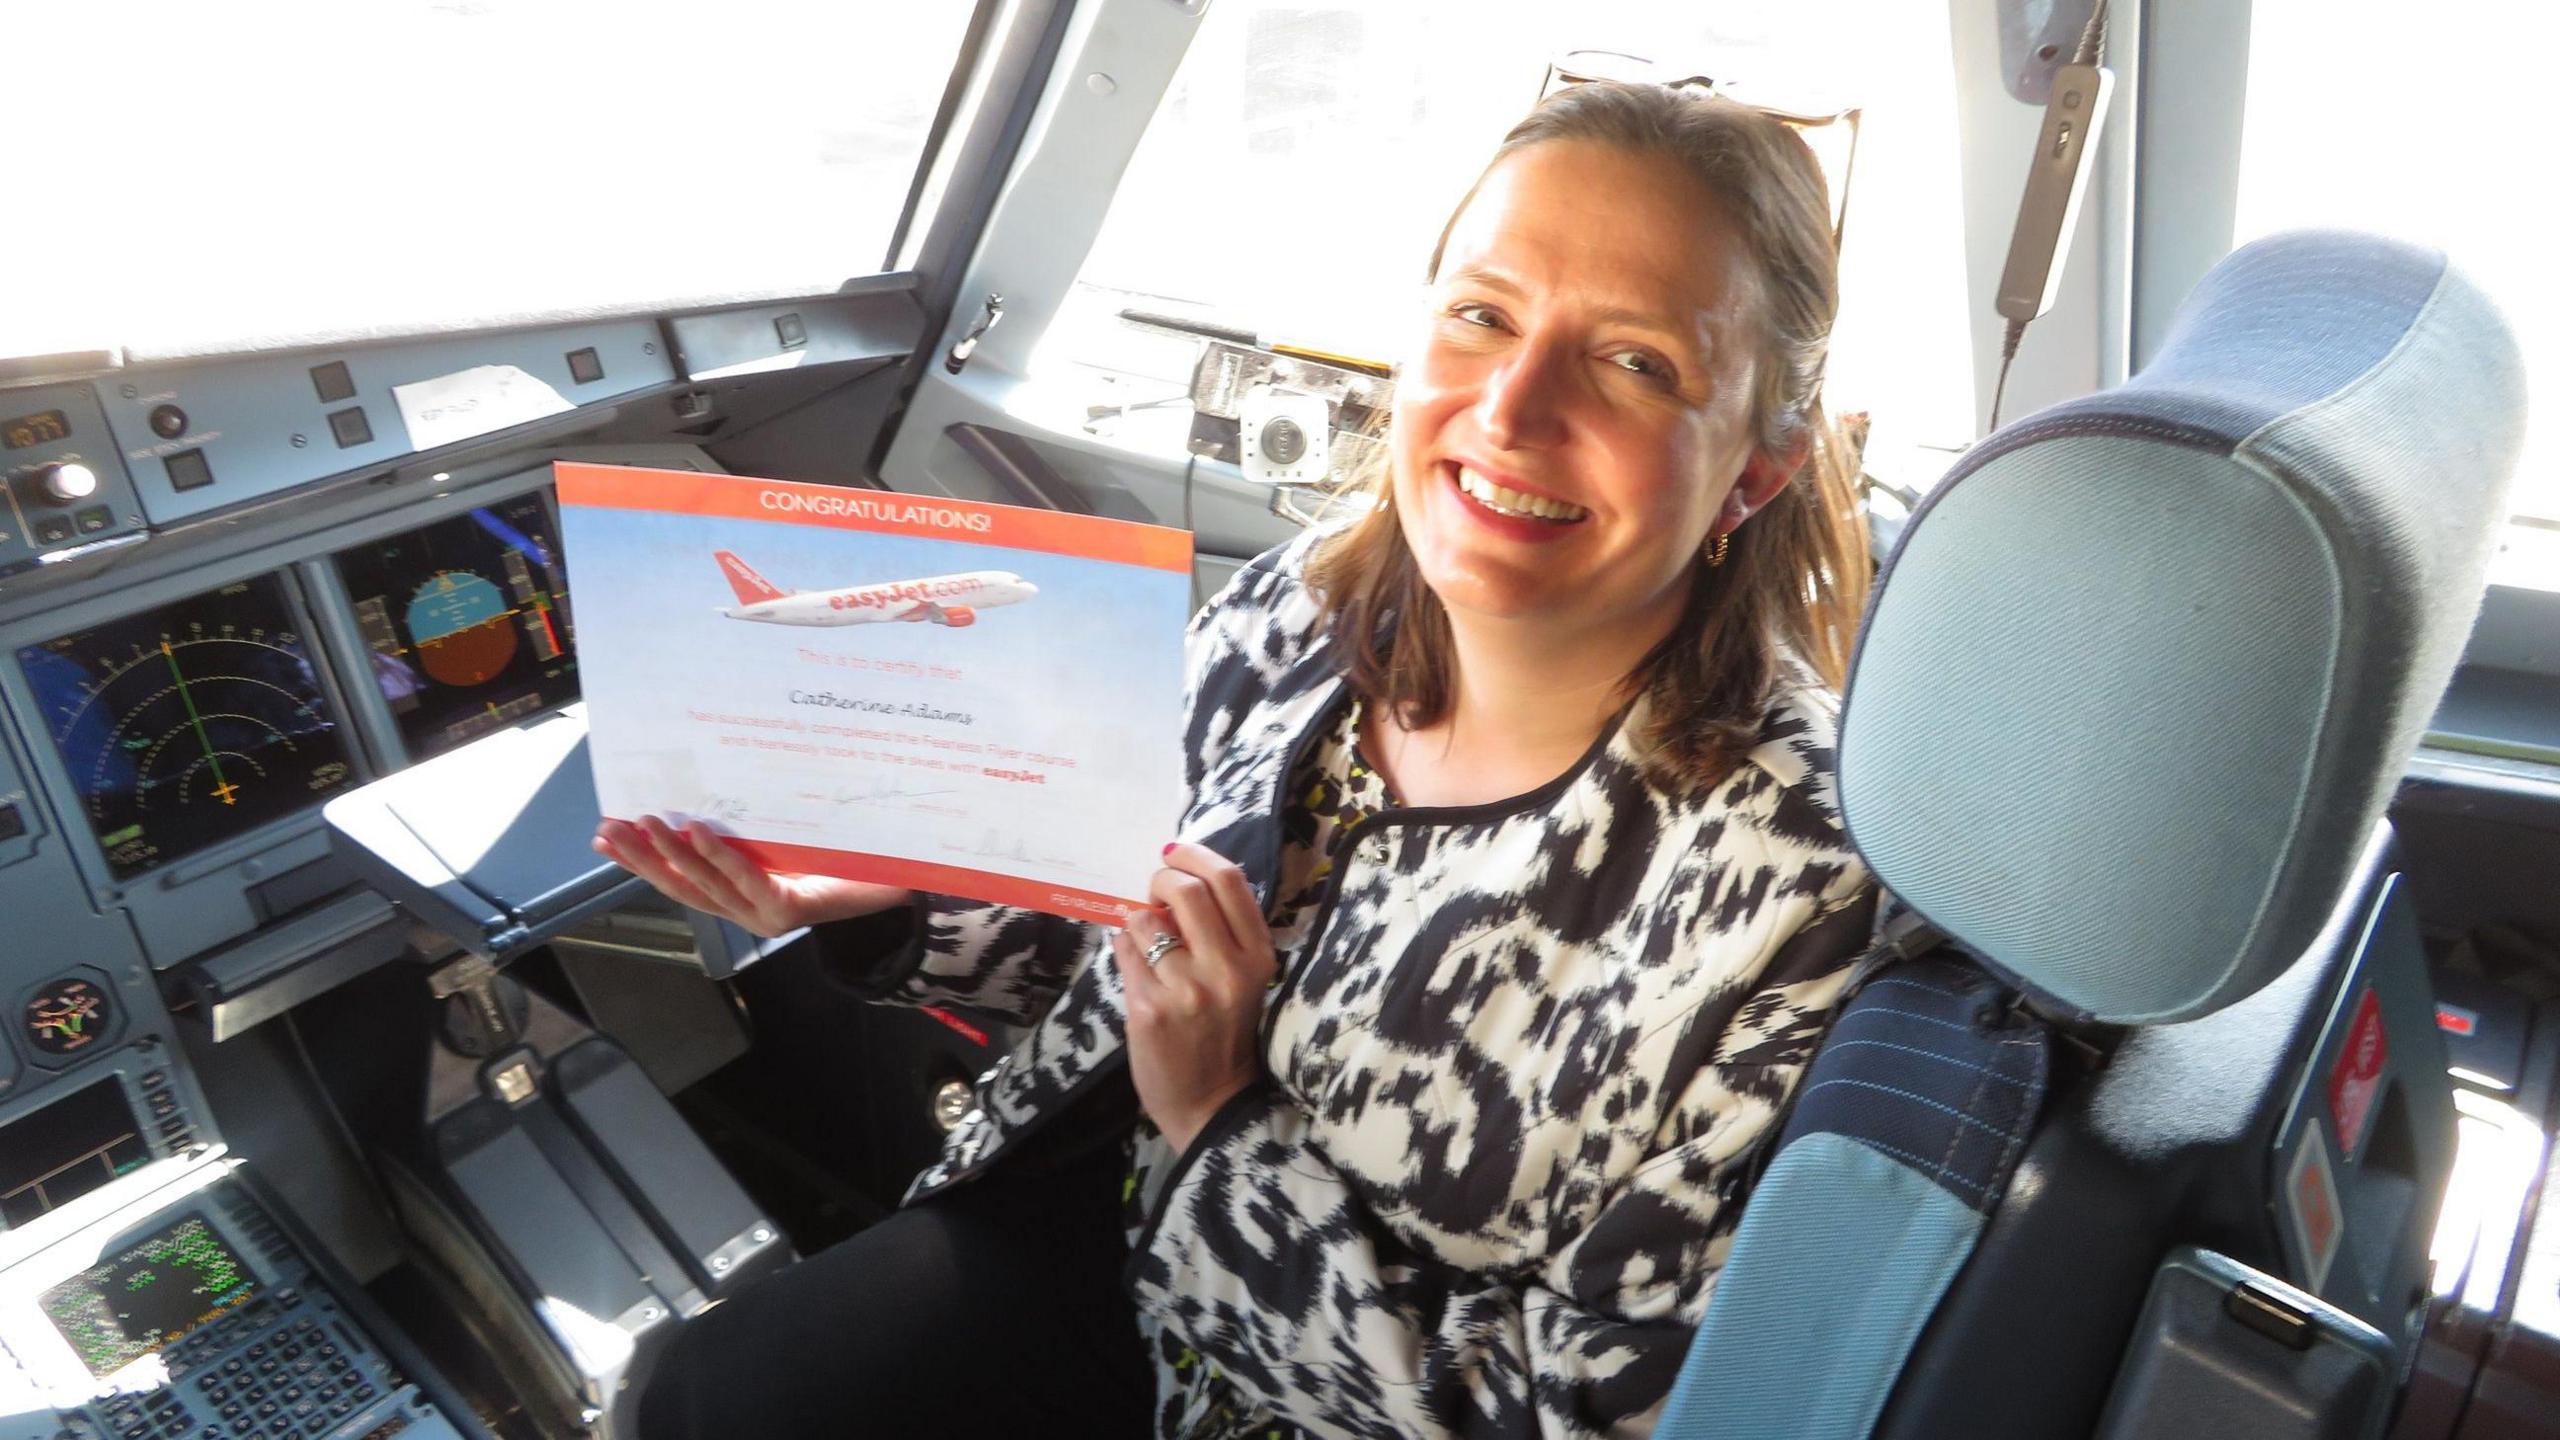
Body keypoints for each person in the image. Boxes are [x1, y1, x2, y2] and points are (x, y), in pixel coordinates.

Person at [605, 80, 1878, 1440]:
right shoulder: (1316, 605)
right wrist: (896, 894)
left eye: (1634, 362)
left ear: (1763, 462)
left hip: (1299, 1387)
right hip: (1085, 1216)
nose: (1510, 409)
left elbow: (1579, 1416)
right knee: (695, 1395)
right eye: (1483, 315)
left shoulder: (1794, 883)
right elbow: (1105, 937)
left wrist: (1220, 1122)